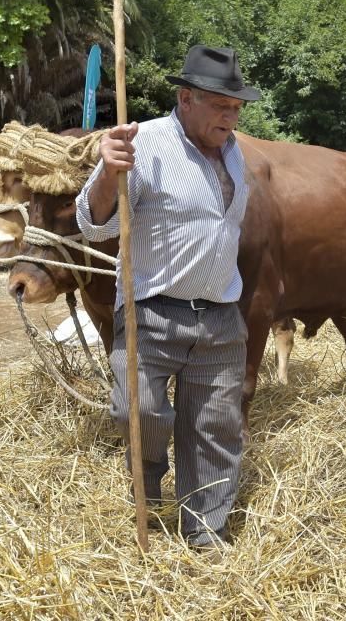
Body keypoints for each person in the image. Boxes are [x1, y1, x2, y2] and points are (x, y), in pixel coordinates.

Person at [76, 45, 261, 555]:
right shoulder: (144, 143)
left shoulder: (233, 151)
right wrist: (105, 174)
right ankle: (150, 500)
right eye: (220, 105)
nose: (231, 115)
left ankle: (206, 532)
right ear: (185, 98)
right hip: (152, 312)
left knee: (215, 429)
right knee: (138, 411)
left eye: (236, 106)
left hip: (221, 317)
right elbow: (93, 224)